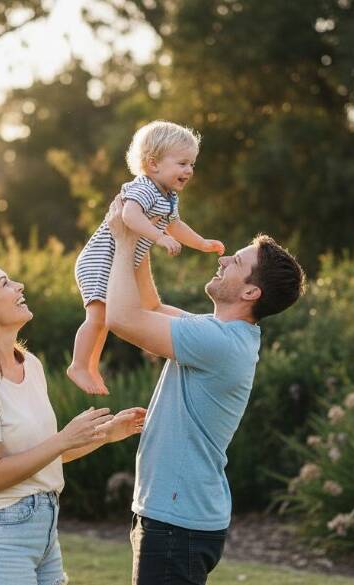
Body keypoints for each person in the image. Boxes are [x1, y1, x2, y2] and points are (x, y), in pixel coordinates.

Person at [104, 198, 305, 585]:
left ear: (250, 293)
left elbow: (121, 318)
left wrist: (125, 241)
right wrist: (145, 235)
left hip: (176, 522)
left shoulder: (219, 342)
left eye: (238, 262)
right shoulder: (219, 333)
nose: (225, 259)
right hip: (176, 516)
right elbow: (150, 305)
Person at [0, 255, 146, 585]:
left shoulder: (30, 364)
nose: (19, 285)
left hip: (44, 531)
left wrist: (104, 434)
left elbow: (43, 457)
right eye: (5, 283)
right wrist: (64, 438)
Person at [68, 120, 225, 395]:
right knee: (97, 317)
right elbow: (129, 215)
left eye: (192, 164)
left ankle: (91, 366)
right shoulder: (144, 187)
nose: (189, 170)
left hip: (121, 260)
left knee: (105, 318)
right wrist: (159, 237)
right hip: (100, 259)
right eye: (182, 163)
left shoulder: (168, 196)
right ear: (153, 165)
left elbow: (174, 224)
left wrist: (201, 243)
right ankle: (78, 365)